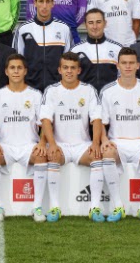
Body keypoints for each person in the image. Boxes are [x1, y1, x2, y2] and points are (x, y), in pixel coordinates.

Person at [98, 47, 140, 222]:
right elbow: (102, 123)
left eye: (131, 63)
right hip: (117, 142)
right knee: (107, 152)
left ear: (138, 65)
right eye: (124, 63)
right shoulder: (107, 91)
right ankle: (118, 206)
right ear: (117, 65)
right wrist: (104, 139)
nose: (128, 66)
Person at [40, 52, 103, 223]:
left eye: (73, 68)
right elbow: (46, 121)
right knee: (52, 156)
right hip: (60, 145)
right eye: (65, 67)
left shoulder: (89, 90)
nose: (69, 71)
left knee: (97, 156)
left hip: (82, 145)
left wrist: (95, 143)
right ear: (59, 70)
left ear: (79, 70)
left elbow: (97, 119)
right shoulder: (51, 91)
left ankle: (95, 208)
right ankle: (54, 207)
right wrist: (52, 144)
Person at [0, 53, 47, 222]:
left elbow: (45, 123)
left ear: (25, 71)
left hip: (29, 145)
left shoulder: (35, 95)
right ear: (6, 71)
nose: (16, 71)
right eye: (12, 68)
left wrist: (42, 142)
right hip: (5, 146)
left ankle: (37, 208)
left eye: (19, 68)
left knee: (41, 155)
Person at [14, 0, 73, 92]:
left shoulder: (64, 29)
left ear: (53, 3)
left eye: (47, 1)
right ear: (35, 3)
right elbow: (16, 61)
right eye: (41, 1)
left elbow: (70, 62)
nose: (44, 6)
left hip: (57, 89)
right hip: (30, 89)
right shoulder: (23, 29)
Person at [71, 8, 122, 91]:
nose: (95, 26)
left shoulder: (118, 49)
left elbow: (122, 77)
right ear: (85, 25)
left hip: (110, 97)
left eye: (98, 22)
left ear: (105, 23)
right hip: (84, 97)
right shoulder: (75, 50)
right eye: (91, 23)